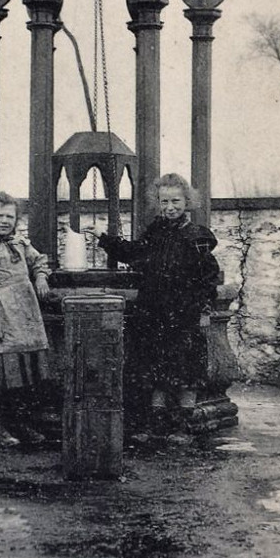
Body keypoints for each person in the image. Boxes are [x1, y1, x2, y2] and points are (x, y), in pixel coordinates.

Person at [88, 174, 220, 436]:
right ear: (157, 203)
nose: (170, 207)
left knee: (185, 371)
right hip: (154, 312)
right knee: (155, 367)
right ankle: (156, 424)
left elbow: (208, 277)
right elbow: (133, 252)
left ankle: (184, 426)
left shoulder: (197, 236)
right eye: (164, 201)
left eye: (175, 201)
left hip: (184, 314)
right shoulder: (155, 232)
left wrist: (204, 310)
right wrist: (105, 239)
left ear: (187, 201)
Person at [0, 191, 52, 447]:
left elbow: (39, 261)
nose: (4, 220)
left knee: (23, 378)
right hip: (2, 319)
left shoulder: (21, 244)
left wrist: (40, 277)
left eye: (9, 216)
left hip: (25, 318)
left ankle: (22, 423)